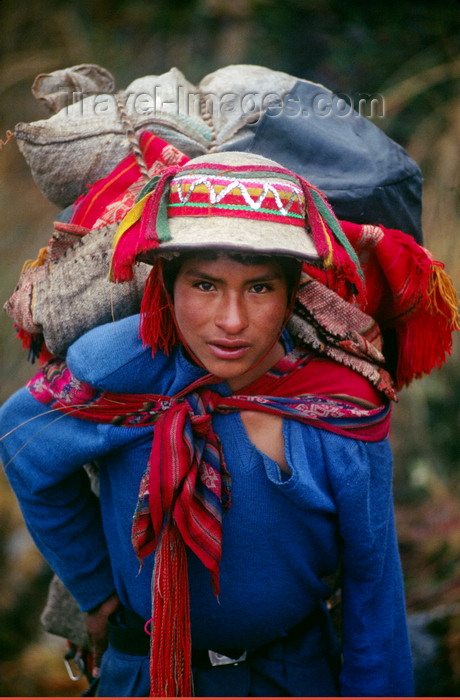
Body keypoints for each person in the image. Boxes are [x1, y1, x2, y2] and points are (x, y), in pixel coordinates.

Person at [2, 149, 454, 698]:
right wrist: (96, 590)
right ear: (166, 287)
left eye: (260, 288)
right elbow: (26, 451)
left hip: (292, 677)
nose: (231, 321)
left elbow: (373, 585)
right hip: (142, 676)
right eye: (205, 285)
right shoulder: (116, 379)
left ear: (293, 296)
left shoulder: (340, 407)